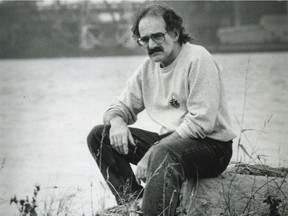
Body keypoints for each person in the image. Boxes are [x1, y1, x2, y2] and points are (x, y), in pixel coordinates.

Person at [87, 3, 236, 216]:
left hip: (213, 148)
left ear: (174, 33)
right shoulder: (148, 69)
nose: (151, 45)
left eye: (157, 36)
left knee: (163, 153)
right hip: (171, 145)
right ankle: (133, 202)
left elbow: (201, 123)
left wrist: (153, 152)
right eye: (144, 39)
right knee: (99, 136)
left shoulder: (197, 58)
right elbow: (118, 106)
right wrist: (117, 121)